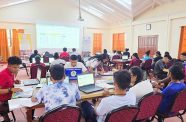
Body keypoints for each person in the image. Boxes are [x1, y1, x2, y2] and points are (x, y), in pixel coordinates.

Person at [0, 56, 23, 121]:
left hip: (10, 96)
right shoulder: (3, 75)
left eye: (18, 67)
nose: (17, 69)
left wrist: (14, 81)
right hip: (3, 101)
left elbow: (7, 82)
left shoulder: (11, 72)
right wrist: (10, 89)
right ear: (8, 66)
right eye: (15, 67)